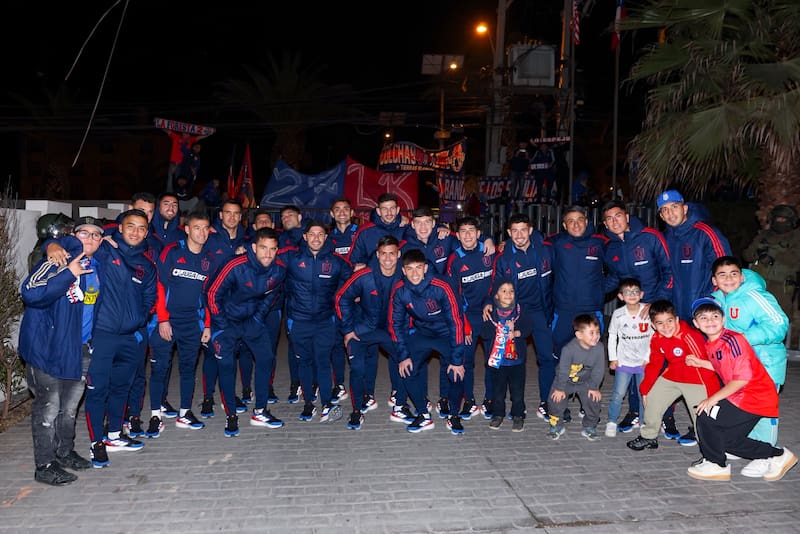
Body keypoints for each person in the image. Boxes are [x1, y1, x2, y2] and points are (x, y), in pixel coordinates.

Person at [19, 218, 103, 483]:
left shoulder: (96, 265)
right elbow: (30, 293)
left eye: (97, 235)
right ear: (72, 235)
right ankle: (44, 465)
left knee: (69, 408)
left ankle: (65, 452)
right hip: (47, 350)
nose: (90, 238)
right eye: (84, 233)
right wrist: (68, 271)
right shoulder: (56, 260)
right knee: (48, 407)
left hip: (80, 350)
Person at [684, 297, 797, 482]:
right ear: (696, 323)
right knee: (727, 441)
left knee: (706, 414)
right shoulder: (713, 343)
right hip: (744, 394)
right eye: (703, 318)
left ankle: (715, 464)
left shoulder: (733, 339)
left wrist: (712, 399)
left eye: (714, 316)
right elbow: (724, 367)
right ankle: (778, 455)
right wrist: (702, 363)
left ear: (723, 319)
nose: (710, 321)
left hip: (753, 395)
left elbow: (742, 378)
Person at [84, 209, 156, 466]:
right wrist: (52, 245)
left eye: (141, 228)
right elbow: (77, 243)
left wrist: (138, 322)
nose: (136, 232)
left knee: (121, 389)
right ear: (121, 227)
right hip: (103, 335)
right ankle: (96, 443)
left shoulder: (146, 265)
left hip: (129, 338)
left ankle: (114, 434)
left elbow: (150, 299)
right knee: (97, 390)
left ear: (146, 232)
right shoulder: (105, 250)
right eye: (131, 226)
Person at [710, 256, 789, 477]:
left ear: (742, 276)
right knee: (743, 407)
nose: (729, 279)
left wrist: (742, 338)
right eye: (722, 275)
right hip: (738, 366)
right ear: (714, 279)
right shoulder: (717, 299)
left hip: (765, 362)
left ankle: (769, 456)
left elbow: (779, 324)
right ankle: (750, 446)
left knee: (764, 409)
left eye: (734, 274)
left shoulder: (755, 296)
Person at [146, 211, 221, 437]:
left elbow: (210, 295)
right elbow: (159, 286)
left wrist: (207, 325)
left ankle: (185, 413)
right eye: (196, 228)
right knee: (160, 368)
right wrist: (163, 319)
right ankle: (155, 415)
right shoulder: (172, 251)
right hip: (167, 321)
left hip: (193, 324)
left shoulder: (210, 259)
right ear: (187, 229)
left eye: (205, 228)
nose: (201, 232)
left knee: (188, 369)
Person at [206, 227, 287, 436]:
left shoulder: (278, 269)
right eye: (263, 248)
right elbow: (213, 293)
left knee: (266, 358)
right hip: (226, 322)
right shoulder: (235, 265)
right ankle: (231, 415)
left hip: (251, 321)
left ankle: (260, 411)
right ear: (253, 247)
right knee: (226, 364)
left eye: (272, 249)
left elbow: (272, 295)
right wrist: (222, 324)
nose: (267, 254)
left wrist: (259, 318)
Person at [601, 199, 673, 435]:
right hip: (632, 315)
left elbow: (668, 271)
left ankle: (666, 417)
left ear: (627, 216)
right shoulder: (610, 248)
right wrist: (591, 291)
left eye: (618, 216)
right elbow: (614, 279)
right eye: (609, 219)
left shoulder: (650, 236)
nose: (615, 221)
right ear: (605, 223)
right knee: (633, 363)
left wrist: (655, 302)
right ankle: (634, 412)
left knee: (663, 366)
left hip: (657, 311)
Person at [625, 300, 721, 451]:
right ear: (653, 325)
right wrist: (645, 389)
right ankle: (648, 436)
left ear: (676, 319)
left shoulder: (689, 336)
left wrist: (712, 394)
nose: (666, 326)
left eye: (670, 321)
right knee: (653, 399)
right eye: (660, 323)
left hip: (696, 379)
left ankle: (707, 444)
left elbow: (707, 364)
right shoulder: (656, 338)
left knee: (701, 413)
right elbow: (654, 364)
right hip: (673, 375)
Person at [486, 213, 554, 421]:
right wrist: (489, 302)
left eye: (523, 230)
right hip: (514, 315)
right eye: (514, 231)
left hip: (540, 311)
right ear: (508, 233)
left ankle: (547, 402)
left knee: (546, 358)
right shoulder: (503, 257)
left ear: (531, 230)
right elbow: (495, 285)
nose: (519, 235)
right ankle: (494, 402)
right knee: (503, 359)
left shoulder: (545, 250)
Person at [389, 248, 466, 434]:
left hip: (446, 333)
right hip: (423, 333)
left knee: (457, 372)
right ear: (403, 271)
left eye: (418, 268)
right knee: (405, 369)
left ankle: (453, 414)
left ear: (425, 268)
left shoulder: (442, 286)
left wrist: (456, 360)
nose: (414, 273)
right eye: (410, 269)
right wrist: (403, 355)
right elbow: (396, 325)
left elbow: (456, 322)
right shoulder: (400, 291)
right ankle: (423, 414)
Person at [283, 221, 352, 423]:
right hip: (299, 321)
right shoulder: (291, 258)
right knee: (304, 362)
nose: (315, 238)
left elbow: (351, 283)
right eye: (311, 234)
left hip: (325, 322)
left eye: (320, 234)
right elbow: (266, 261)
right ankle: (308, 403)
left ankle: (327, 404)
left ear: (325, 237)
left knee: (323, 362)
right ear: (305, 237)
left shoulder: (337, 262)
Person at [334, 235, 405, 429]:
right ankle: (357, 410)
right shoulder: (364, 275)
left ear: (398, 255)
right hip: (363, 329)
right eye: (383, 254)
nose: (388, 258)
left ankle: (400, 404)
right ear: (377, 255)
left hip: (390, 330)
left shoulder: (406, 274)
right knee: (357, 368)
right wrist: (347, 329)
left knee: (404, 359)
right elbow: (342, 297)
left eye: (392, 253)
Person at [547, 205, 608, 422]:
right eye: (570, 221)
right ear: (564, 225)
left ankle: (587, 403)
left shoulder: (600, 243)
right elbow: (531, 240)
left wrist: (600, 290)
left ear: (586, 221)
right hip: (563, 311)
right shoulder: (556, 242)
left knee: (592, 357)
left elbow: (619, 269)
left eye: (579, 219)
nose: (575, 224)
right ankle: (557, 404)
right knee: (559, 357)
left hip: (591, 310)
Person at [446, 216, 495, 419]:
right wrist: (463, 324)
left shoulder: (490, 251)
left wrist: (491, 302)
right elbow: (453, 297)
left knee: (493, 360)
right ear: (458, 236)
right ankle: (470, 400)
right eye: (463, 231)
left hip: (491, 314)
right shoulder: (455, 260)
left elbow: (499, 281)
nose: (467, 235)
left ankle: (491, 399)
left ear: (478, 233)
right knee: (467, 362)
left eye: (471, 230)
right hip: (468, 318)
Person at [657, 190, 731, 321]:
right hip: (676, 312)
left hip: (705, 311)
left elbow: (725, 268)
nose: (670, 213)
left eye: (674, 206)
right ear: (661, 216)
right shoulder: (664, 239)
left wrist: (709, 300)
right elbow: (665, 274)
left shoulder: (705, 232)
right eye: (665, 210)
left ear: (684, 208)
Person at [479, 280, 533, 432]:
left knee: (517, 391)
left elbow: (529, 327)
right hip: (498, 362)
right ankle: (497, 414)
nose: (508, 294)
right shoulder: (490, 314)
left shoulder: (520, 311)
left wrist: (517, 333)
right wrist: (497, 331)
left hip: (517, 361)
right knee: (498, 391)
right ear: (496, 295)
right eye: (503, 291)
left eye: (511, 291)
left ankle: (518, 415)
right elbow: (483, 333)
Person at [605, 278, 653, 437]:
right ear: (620, 296)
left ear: (641, 294)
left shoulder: (647, 311)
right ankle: (612, 421)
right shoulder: (618, 314)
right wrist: (613, 358)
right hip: (624, 361)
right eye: (627, 292)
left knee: (643, 394)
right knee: (618, 393)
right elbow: (612, 336)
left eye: (635, 292)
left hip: (643, 363)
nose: (632, 295)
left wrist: (648, 357)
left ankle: (643, 422)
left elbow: (654, 336)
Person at [545, 314, 604, 441]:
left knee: (594, 401)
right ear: (579, 335)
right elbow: (564, 370)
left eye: (598, 332)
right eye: (592, 333)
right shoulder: (569, 349)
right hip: (565, 381)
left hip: (586, 381)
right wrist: (560, 388)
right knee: (555, 401)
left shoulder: (599, 348)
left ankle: (589, 426)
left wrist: (594, 387)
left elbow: (599, 370)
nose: (596, 336)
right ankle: (556, 426)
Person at [743, 204, 800, 322]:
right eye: (778, 218)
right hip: (758, 284)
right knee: (754, 316)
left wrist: (774, 254)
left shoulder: (796, 237)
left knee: (780, 318)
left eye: (784, 219)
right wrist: (760, 254)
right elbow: (747, 255)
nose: (780, 222)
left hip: (781, 286)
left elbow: (794, 259)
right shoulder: (764, 235)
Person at [327, 198, 359, 403]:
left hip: (359, 298)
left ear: (352, 212)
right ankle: (339, 384)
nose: (341, 213)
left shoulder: (361, 234)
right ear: (332, 214)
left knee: (360, 342)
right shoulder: (327, 238)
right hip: (337, 300)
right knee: (337, 343)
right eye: (337, 209)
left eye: (345, 209)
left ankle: (363, 388)